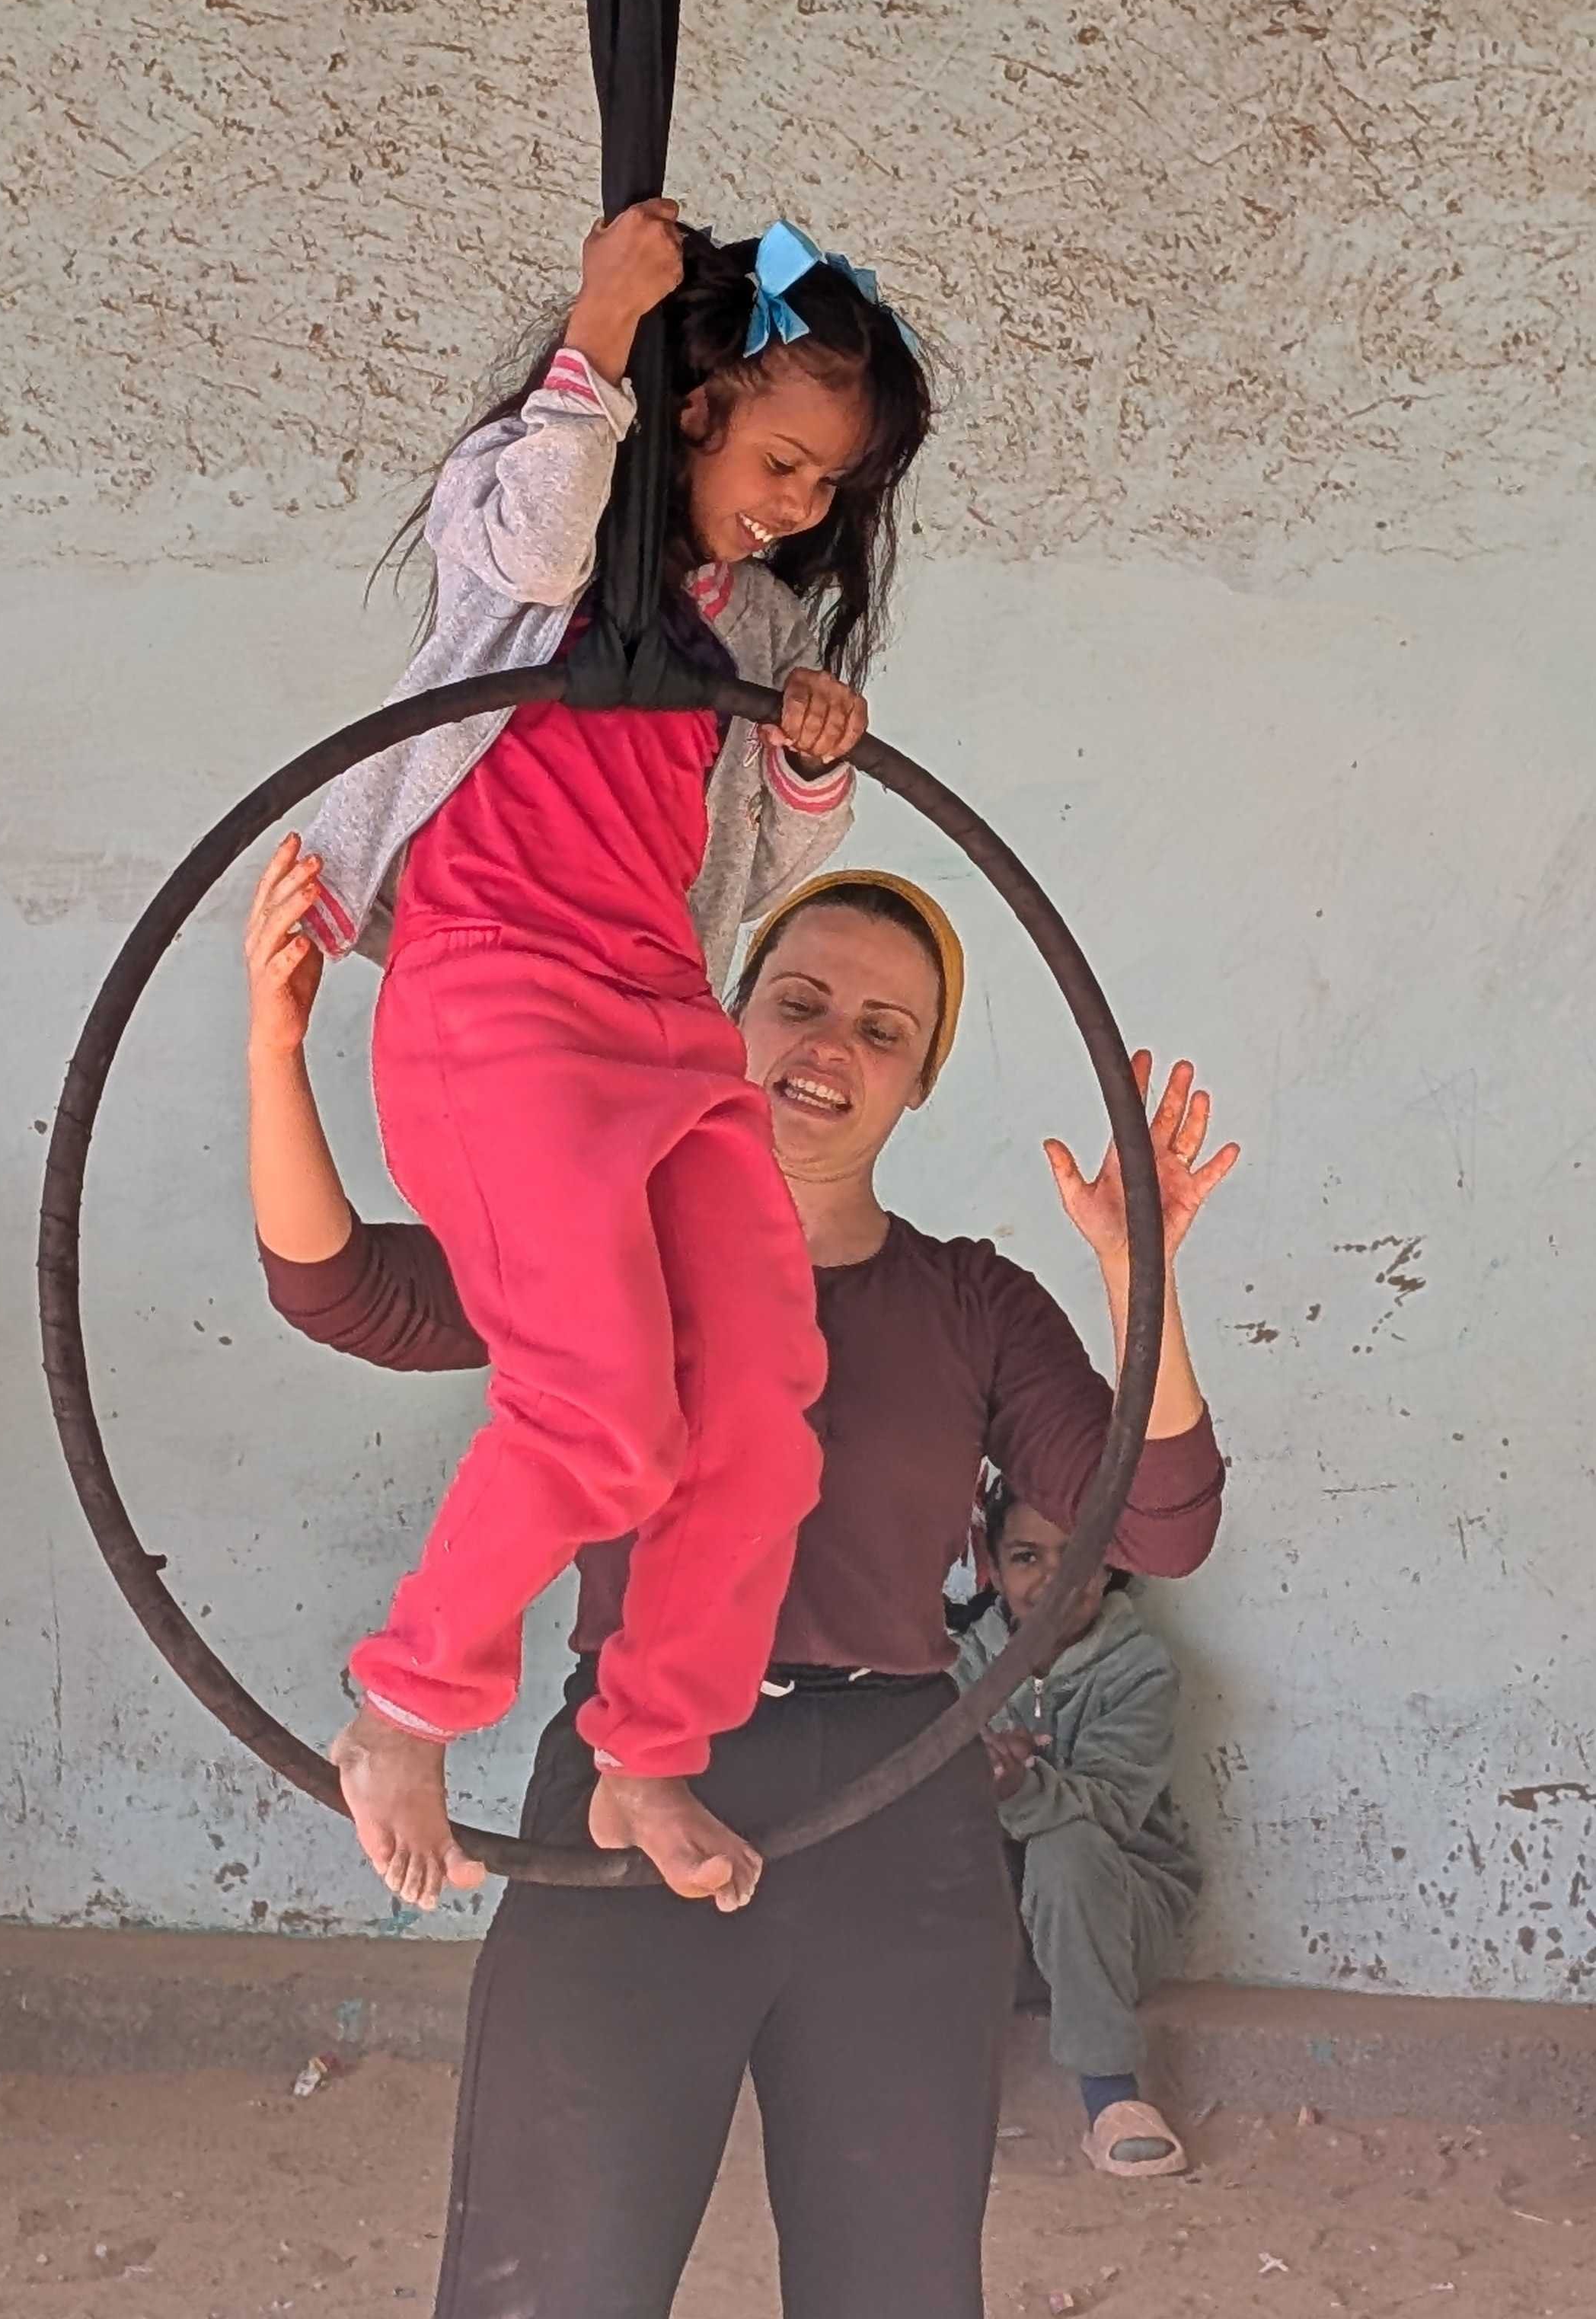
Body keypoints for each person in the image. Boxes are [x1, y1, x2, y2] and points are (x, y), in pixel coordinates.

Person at [244, 858, 1235, 2319]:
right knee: (551, 2271)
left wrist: (1136, 1268)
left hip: (898, 1808)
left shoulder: (970, 1301)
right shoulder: (609, 1243)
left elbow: (1154, 1523)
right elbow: (343, 1291)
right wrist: (275, 1053)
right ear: (727, 1021)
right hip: (625, 1785)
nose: (830, 1045)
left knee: (892, 2281)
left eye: (883, 1030)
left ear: (916, 1085)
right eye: (800, 1000)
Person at [288, 204, 933, 1918]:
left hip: (661, 1024)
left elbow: (760, 880)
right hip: (498, 1007)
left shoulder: (752, 630)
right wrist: (600, 327)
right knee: (595, 1412)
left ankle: (651, 1744)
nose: (805, 509)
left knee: (759, 1398)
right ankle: (405, 1697)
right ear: (699, 406)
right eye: (789, 462)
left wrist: (807, 760)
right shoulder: (542, 552)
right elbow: (539, 531)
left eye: (830, 491)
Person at [958, 1479, 1202, 2180]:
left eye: (1078, 1554)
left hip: (1119, 1924)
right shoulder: (958, 1667)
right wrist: (966, 1781)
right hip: (1002, 1940)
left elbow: (1113, 1806)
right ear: (993, 1566)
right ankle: (899, 2076)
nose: (1052, 1579)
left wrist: (1016, 1787)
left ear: (1110, 1561)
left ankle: (1111, 2098)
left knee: (1067, 1847)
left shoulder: (1140, 1669)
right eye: (1027, 1557)